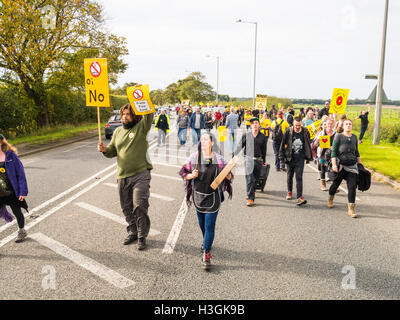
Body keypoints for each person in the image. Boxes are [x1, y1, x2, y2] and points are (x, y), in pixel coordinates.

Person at [98, 103, 154, 250]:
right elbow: (112, 151)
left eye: (128, 114)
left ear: (134, 115)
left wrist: (141, 96)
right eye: (123, 114)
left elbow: (149, 115)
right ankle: (133, 232)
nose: (124, 116)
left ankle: (142, 236)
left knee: (140, 205)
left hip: (141, 174)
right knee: (126, 207)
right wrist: (105, 150)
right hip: (122, 175)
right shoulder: (117, 132)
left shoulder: (141, 127)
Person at [179, 132, 233, 270]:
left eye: (206, 139)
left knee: (209, 226)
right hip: (198, 196)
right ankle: (206, 242)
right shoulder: (194, 157)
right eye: (201, 139)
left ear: (212, 143)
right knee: (202, 225)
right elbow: (183, 172)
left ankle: (206, 253)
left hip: (213, 197)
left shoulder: (219, 159)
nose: (203, 141)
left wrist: (227, 175)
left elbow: (229, 175)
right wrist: (192, 175)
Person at [327, 119, 362, 218]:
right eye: (346, 124)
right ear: (343, 126)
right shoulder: (338, 137)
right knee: (335, 184)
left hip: (352, 167)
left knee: (352, 187)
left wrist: (360, 165)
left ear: (352, 126)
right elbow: (333, 152)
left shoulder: (354, 137)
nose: (348, 126)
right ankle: (330, 198)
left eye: (350, 124)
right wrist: (334, 165)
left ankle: (351, 209)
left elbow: (357, 152)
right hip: (341, 166)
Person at [0, 133, 29, 243]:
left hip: (12, 190)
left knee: (17, 212)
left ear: (1, 141)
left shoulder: (10, 155)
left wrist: (23, 191)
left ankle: (22, 231)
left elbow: (20, 174)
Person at [279, 117, 313, 205]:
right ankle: (289, 192)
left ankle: (299, 197)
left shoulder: (305, 131)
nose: (297, 127)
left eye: (299, 125)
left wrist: (308, 157)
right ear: (293, 124)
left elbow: (308, 143)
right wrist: (281, 158)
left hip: (300, 158)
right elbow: (283, 144)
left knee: (299, 177)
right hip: (290, 157)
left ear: (301, 124)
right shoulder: (288, 131)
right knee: (290, 176)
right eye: (296, 125)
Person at [234, 117, 267, 207]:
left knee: (255, 179)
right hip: (248, 159)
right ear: (251, 125)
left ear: (259, 125)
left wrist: (264, 161)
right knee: (250, 179)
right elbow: (240, 146)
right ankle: (250, 198)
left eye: (257, 123)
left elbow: (264, 150)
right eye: (253, 123)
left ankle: (252, 191)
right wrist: (234, 154)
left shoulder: (263, 137)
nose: (255, 125)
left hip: (258, 160)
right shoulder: (246, 135)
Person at [315, 118, 336, 191]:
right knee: (322, 169)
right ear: (325, 125)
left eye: (331, 124)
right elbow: (315, 144)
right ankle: (323, 185)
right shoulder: (321, 133)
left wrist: (334, 147)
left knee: (333, 169)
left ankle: (334, 187)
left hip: (332, 154)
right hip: (322, 153)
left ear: (333, 125)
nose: (329, 125)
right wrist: (318, 141)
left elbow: (339, 143)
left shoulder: (335, 134)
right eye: (328, 124)